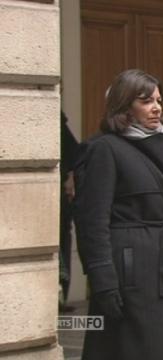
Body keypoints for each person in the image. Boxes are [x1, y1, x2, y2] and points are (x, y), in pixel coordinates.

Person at [74, 69, 163, 360]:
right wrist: (103, 280)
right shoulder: (105, 149)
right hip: (131, 271)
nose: (156, 107)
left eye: (158, 100)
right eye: (145, 101)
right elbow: (92, 222)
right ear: (124, 105)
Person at [59, 111, 79, 311]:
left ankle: (61, 296)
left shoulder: (56, 121)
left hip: (59, 194)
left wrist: (70, 180)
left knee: (63, 238)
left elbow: (73, 153)